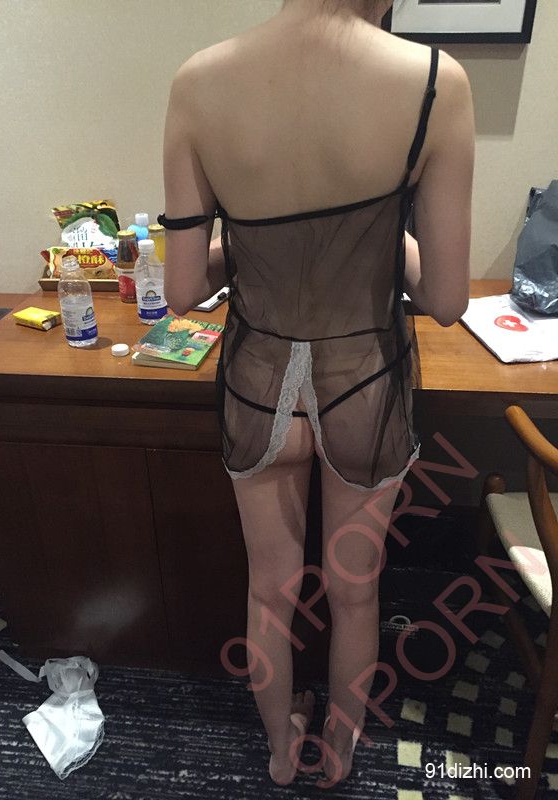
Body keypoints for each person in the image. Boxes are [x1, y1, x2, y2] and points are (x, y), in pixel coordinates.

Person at [158, 0, 474, 788]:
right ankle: (337, 755)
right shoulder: (435, 82)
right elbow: (445, 300)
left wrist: (254, 242)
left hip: (258, 382)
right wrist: (383, 239)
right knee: (356, 593)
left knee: (269, 591)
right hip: (364, 381)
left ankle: (278, 753)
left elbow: (185, 290)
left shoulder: (197, 81)